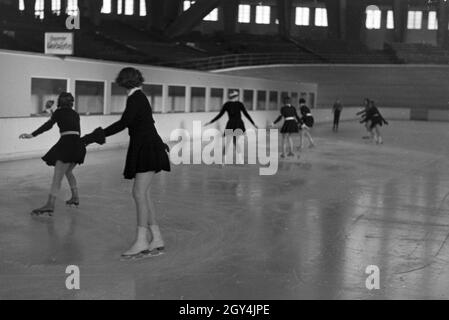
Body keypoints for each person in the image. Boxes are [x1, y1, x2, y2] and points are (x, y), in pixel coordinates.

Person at [82, 67, 170, 259]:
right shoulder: (139, 97)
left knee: (138, 193)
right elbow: (147, 122)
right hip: (147, 146)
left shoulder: (136, 98)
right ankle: (156, 238)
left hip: (146, 148)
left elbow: (124, 123)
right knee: (143, 194)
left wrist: (94, 136)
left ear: (124, 82)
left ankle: (141, 242)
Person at [19, 92, 86, 217]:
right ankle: (75, 197)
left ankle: (50, 205)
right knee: (68, 172)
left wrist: (32, 134)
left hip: (67, 144)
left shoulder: (58, 112)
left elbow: (48, 126)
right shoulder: (75, 114)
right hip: (78, 144)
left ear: (60, 102)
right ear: (71, 102)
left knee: (57, 176)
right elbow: (78, 131)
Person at [205, 91, 258, 164]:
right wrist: (253, 123)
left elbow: (219, 115)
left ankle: (224, 161)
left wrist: (210, 122)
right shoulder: (239, 104)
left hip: (231, 124)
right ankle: (240, 160)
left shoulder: (227, 104)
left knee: (228, 142)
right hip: (239, 124)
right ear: (236, 96)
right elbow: (246, 114)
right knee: (235, 142)